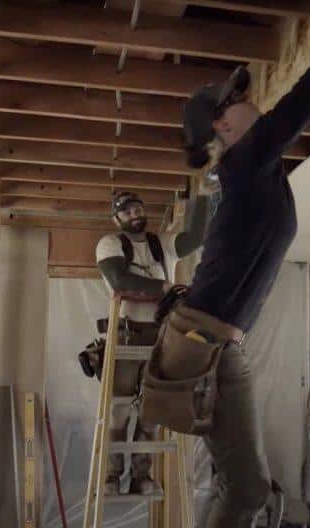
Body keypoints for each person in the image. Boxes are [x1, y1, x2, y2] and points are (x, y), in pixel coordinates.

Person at [140, 3, 310, 526]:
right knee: (249, 490)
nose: (253, 103)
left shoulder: (255, 170)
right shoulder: (246, 163)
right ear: (223, 124)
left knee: (239, 485)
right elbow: (306, 99)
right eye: (240, 100)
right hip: (207, 343)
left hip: (208, 339)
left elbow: (300, 99)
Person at [92, 190, 209, 495]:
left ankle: (141, 475)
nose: (135, 215)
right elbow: (121, 281)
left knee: (152, 407)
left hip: (161, 335)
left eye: (138, 209)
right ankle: (111, 476)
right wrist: (165, 286)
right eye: (127, 212)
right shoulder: (111, 244)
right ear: (117, 218)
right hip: (128, 334)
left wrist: (202, 198)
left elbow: (195, 238)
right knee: (118, 409)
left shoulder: (162, 244)